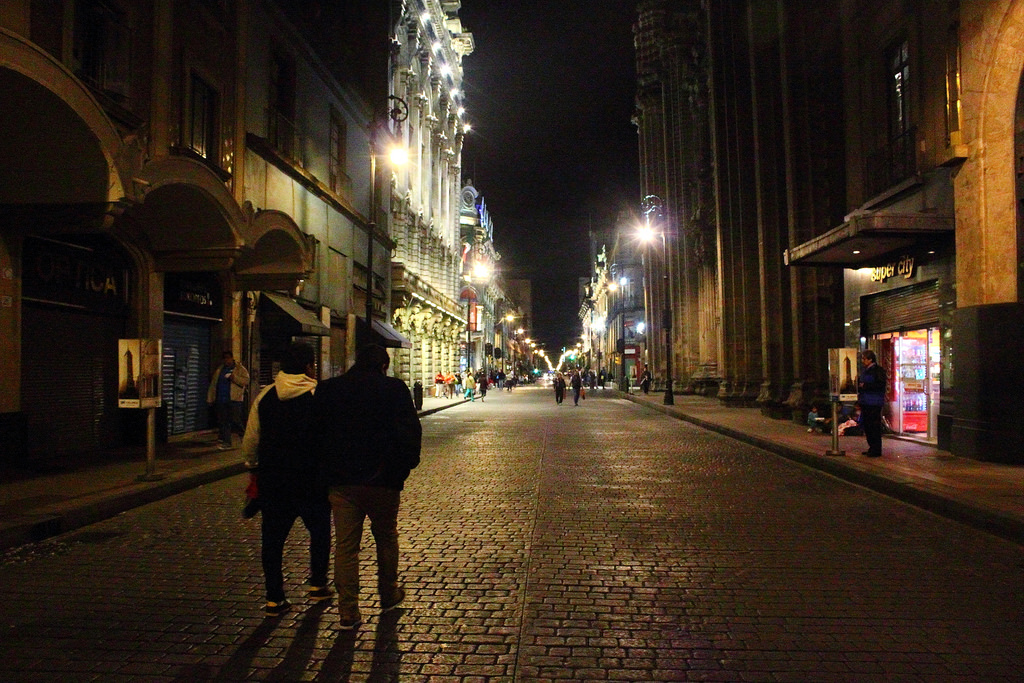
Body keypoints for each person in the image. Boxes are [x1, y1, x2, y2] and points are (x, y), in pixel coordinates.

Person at [315, 344, 422, 630]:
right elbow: (410, 431)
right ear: (383, 366)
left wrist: (325, 470)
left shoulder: (329, 389)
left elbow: (317, 433)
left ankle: (348, 610)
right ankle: (388, 594)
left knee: (346, 546)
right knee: (386, 537)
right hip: (384, 480)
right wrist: (404, 467)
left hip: (342, 482)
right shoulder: (395, 389)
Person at [240, 342, 331, 617]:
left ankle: (274, 598)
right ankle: (317, 585)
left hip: (274, 481)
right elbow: (330, 438)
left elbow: (250, 441)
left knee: (272, 540)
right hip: (311, 481)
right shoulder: (319, 396)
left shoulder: (265, 397)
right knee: (320, 532)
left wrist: (254, 467)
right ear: (307, 367)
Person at [207, 351, 250, 450]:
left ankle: (243, 435)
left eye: (228, 358)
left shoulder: (240, 369)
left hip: (235, 400)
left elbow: (245, 381)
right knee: (223, 421)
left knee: (235, 420)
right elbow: (214, 384)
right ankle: (226, 442)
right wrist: (210, 398)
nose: (226, 360)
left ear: (232, 358)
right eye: (224, 358)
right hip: (221, 399)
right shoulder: (220, 370)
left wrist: (233, 378)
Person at [858, 350, 887, 457]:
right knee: (868, 426)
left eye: (864, 359)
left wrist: (865, 386)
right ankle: (871, 447)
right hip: (866, 401)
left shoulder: (878, 371)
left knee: (874, 426)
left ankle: (876, 449)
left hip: (874, 402)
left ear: (870, 359)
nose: (863, 361)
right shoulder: (865, 370)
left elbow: (880, 385)